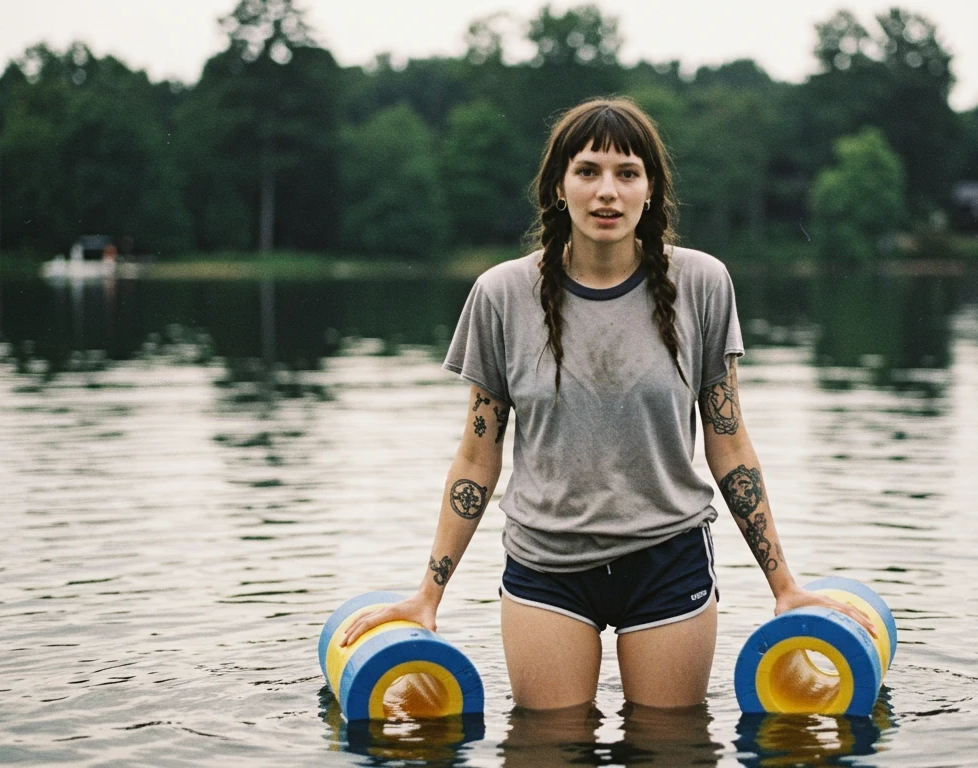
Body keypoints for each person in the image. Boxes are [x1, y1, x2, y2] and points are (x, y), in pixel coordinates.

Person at [340, 97, 877, 710]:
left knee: (671, 746)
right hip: (547, 566)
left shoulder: (702, 284)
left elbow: (729, 444)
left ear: (651, 190)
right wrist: (428, 595)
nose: (607, 191)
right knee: (548, 745)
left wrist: (785, 587)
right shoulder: (501, 294)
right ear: (558, 186)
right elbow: (476, 459)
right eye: (588, 171)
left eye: (627, 173)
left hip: (668, 562)